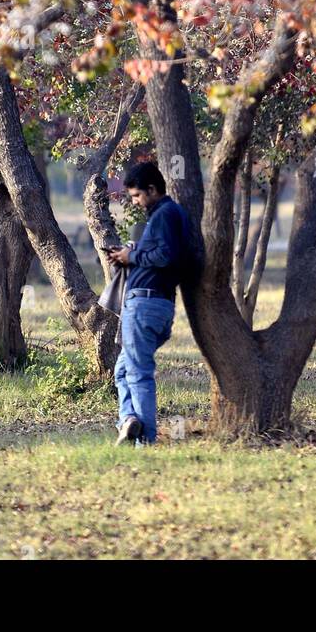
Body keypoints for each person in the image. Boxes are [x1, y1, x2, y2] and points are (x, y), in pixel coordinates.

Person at [108, 161, 193, 447]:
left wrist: (131, 258)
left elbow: (165, 256)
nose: (135, 202)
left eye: (136, 196)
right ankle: (129, 420)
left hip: (145, 303)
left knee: (138, 372)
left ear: (153, 190)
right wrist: (131, 251)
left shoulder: (165, 214)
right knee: (122, 370)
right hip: (156, 304)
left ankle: (145, 440)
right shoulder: (169, 215)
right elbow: (160, 252)